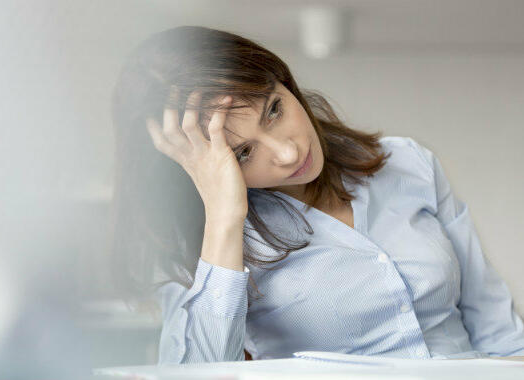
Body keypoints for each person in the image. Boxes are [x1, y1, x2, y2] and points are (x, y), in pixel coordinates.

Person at [110, 26, 524, 364]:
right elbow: (197, 374)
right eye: (243, 153)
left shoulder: (407, 162)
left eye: (273, 109)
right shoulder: (204, 243)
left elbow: (497, 328)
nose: (289, 152)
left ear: (285, 83)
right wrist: (223, 217)